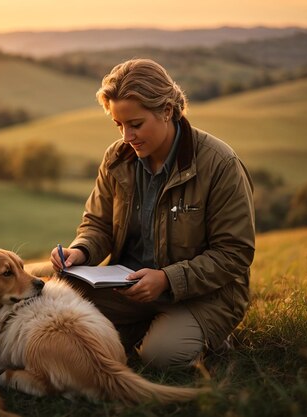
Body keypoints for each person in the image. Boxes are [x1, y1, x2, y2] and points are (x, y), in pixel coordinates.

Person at [50, 58, 255, 369]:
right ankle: (140, 328)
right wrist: (82, 251)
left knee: (160, 355)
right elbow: (98, 224)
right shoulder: (117, 158)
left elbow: (235, 253)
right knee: (46, 298)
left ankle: (197, 335)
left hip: (204, 295)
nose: (126, 137)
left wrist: (166, 279)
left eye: (135, 124)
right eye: (118, 125)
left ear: (167, 111)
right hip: (126, 287)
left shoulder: (220, 164)